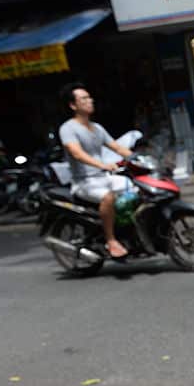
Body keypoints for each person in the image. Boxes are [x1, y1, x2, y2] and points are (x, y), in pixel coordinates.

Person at [59, 83, 134, 258]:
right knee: (108, 197)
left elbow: (117, 147)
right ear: (73, 105)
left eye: (89, 97)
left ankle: (128, 230)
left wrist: (139, 159)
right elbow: (76, 153)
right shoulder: (68, 129)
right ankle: (111, 240)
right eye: (83, 98)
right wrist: (102, 165)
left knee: (134, 187)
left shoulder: (97, 128)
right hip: (84, 182)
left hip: (104, 177)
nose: (89, 100)